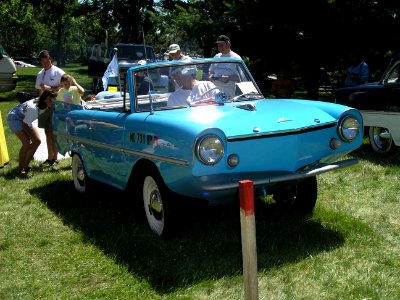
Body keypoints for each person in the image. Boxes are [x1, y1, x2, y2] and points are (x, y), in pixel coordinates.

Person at [7, 90, 57, 175]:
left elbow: (27, 122)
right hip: (15, 118)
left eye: (54, 100)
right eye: (51, 100)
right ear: (45, 99)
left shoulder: (42, 103)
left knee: (37, 141)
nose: (54, 103)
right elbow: (24, 125)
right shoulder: (34, 109)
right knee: (26, 143)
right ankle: (20, 169)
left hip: (25, 119)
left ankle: (25, 166)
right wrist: (31, 137)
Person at [35, 50, 65, 166]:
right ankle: (49, 157)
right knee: (47, 132)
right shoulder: (40, 73)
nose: (45, 65)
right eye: (43, 63)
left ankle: (55, 158)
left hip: (54, 106)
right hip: (43, 107)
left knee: (54, 132)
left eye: (46, 62)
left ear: (50, 59)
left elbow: (65, 85)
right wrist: (38, 99)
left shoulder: (58, 72)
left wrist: (50, 88)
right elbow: (38, 89)